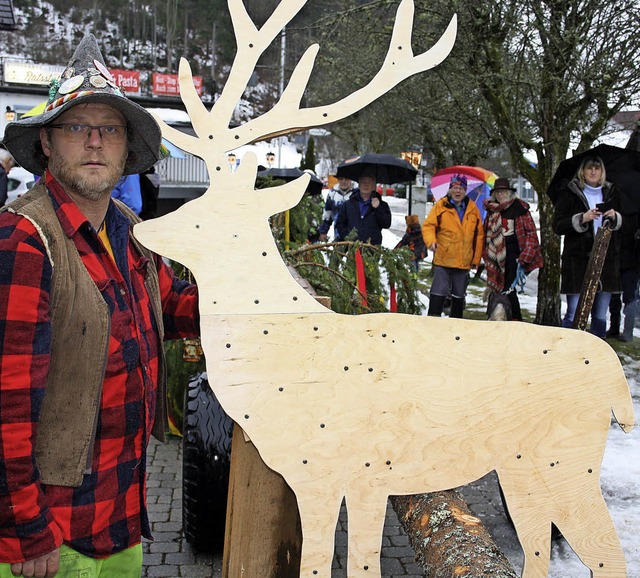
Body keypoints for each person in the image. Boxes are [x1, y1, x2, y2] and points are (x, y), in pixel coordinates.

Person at [0, 34, 199, 578]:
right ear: (46, 142)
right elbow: (6, 407)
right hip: (54, 540)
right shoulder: (24, 239)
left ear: (124, 146)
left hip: (120, 518)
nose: (94, 142)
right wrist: (26, 533)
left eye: (108, 129)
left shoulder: (129, 231)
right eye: (75, 127)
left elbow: (172, 306)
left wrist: (249, 295)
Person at [552, 155, 622, 338]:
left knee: (599, 315)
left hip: (604, 261)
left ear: (602, 172)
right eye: (589, 168)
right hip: (577, 261)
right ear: (582, 171)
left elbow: (627, 225)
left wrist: (616, 217)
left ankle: (596, 356)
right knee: (574, 311)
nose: (593, 172)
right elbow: (557, 225)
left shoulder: (612, 192)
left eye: (597, 168)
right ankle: (568, 351)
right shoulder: (570, 192)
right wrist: (582, 219)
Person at [422, 174, 484, 318]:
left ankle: (456, 326)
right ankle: (432, 320)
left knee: (459, 295)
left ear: (465, 190)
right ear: (450, 189)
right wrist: (431, 241)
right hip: (444, 258)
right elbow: (428, 226)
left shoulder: (473, 209)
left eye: (461, 188)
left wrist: (476, 259)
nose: (458, 191)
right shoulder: (441, 206)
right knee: (438, 292)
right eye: (455, 188)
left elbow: (479, 236)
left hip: (463, 261)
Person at [482, 177, 543, 321]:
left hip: (514, 254)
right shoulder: (492, 210)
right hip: (495, 254)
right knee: (497, 287)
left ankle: (514, 318)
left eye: (503, 191)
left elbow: (531, 234)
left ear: (509, 193)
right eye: (498, 192)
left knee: (508, 287)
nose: (501, 195)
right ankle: (497, 315)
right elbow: (486, 233)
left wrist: (525, 257)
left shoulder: (520, 209)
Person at [606, 209, 639, 342]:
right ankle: (615, 328)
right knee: (615, 297)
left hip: (631, 260)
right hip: (617, 258)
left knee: (629, 298)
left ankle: (627, 332)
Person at [335, 168, 391, 245]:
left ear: (374, 186)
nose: (366, 185)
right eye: (363, 182)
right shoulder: (348, 204)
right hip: (352, 248)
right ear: (359, 184)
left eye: (369, 182)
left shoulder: (382, 205)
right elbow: (340, 223)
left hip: (372, 249)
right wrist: (347, 237)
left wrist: (378, 208)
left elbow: (386, 224)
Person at [318, 175, 355, 241]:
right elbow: (327, 214)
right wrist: (323, 231)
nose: (344, 181)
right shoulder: (332, 193)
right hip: (338, 234)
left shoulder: (357, 192)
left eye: (346, 179)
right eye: (341, 179)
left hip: (355, 234)